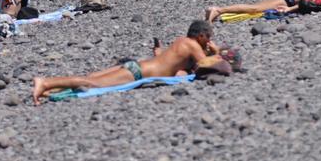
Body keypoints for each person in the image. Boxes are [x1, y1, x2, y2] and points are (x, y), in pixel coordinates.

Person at [33, 20, 231, 104]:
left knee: (91, 78)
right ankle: (46, 83)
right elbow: (207, 64)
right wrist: (215, 52)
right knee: (90, 83)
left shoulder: (181, 41)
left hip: (137, 67)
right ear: (201, 35)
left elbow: (168, 61)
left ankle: (51, 90)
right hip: (138, 73)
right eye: (209, 38)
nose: (209, 42)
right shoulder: (193, 45)